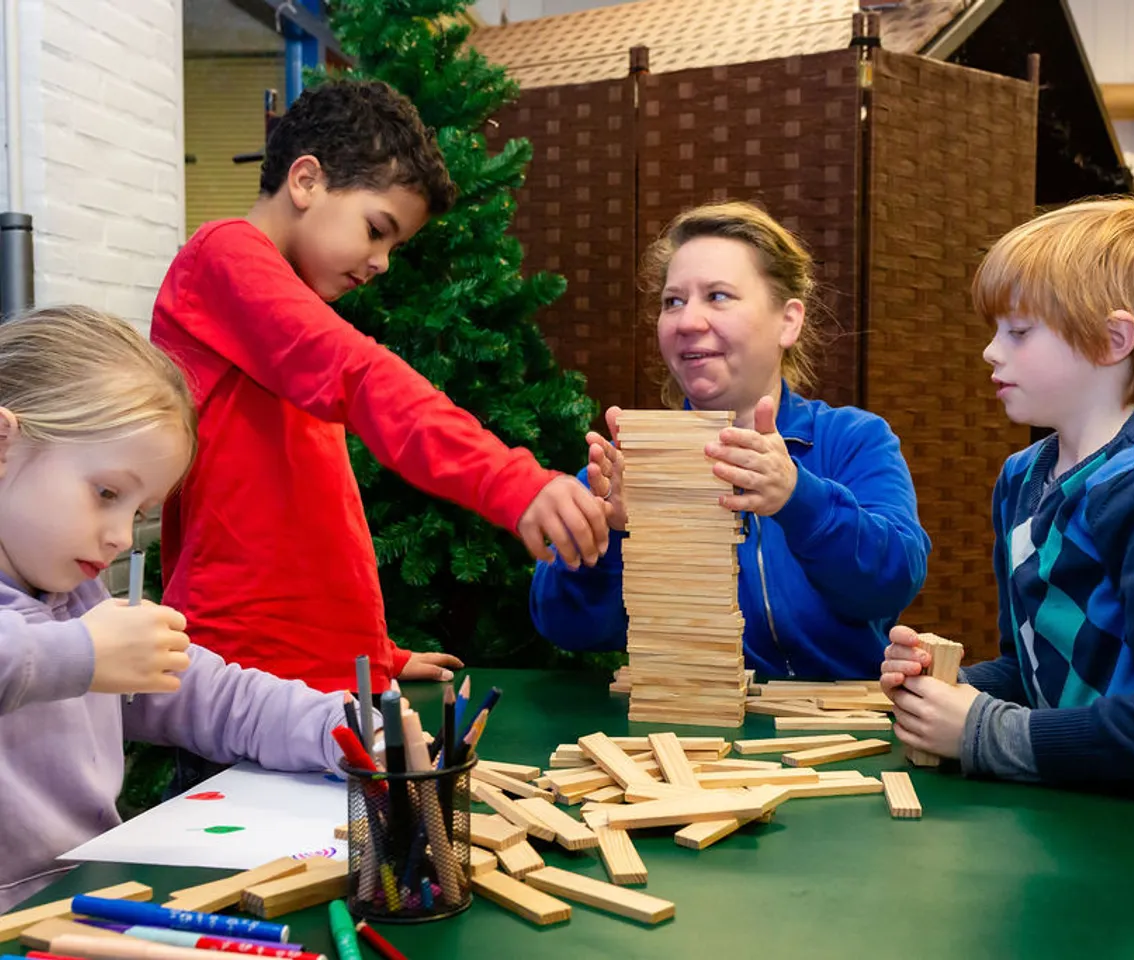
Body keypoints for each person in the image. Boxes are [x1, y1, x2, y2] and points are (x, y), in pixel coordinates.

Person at [152, 79, 609, 695]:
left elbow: (304, 514)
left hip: (316, 674)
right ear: (306, 181)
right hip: (247, 678)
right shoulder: (223, 256)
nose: (381, 262)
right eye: (376, 229)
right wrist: (511, 480)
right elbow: (362, 375)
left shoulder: (281, 305)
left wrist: (373, 653)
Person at [0, 307, 363, 912]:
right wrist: (83, 655)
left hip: (86, 901)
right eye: (107, 493)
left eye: (139, 512)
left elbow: (210, 695)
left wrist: (341, 727)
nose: (121, 536)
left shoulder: (79, 601)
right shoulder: (79, 637)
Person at [530, 201, 930, 678]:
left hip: (838, 730)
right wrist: (614, 537)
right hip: (688, 731)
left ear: (789, 321)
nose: (687, 322)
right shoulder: (633, 464)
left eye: (718, 296)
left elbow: (892, 583)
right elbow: (566, 628)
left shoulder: (853, 441)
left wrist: (797, 497)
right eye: (672, 302)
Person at [882, 197, 1134, 798]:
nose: (991, 350)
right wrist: (946, 689)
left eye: (1020, 331)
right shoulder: (1020, 478)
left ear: (1113, 339)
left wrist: (984, 730)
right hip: (1068, 816)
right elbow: (1034, 673)